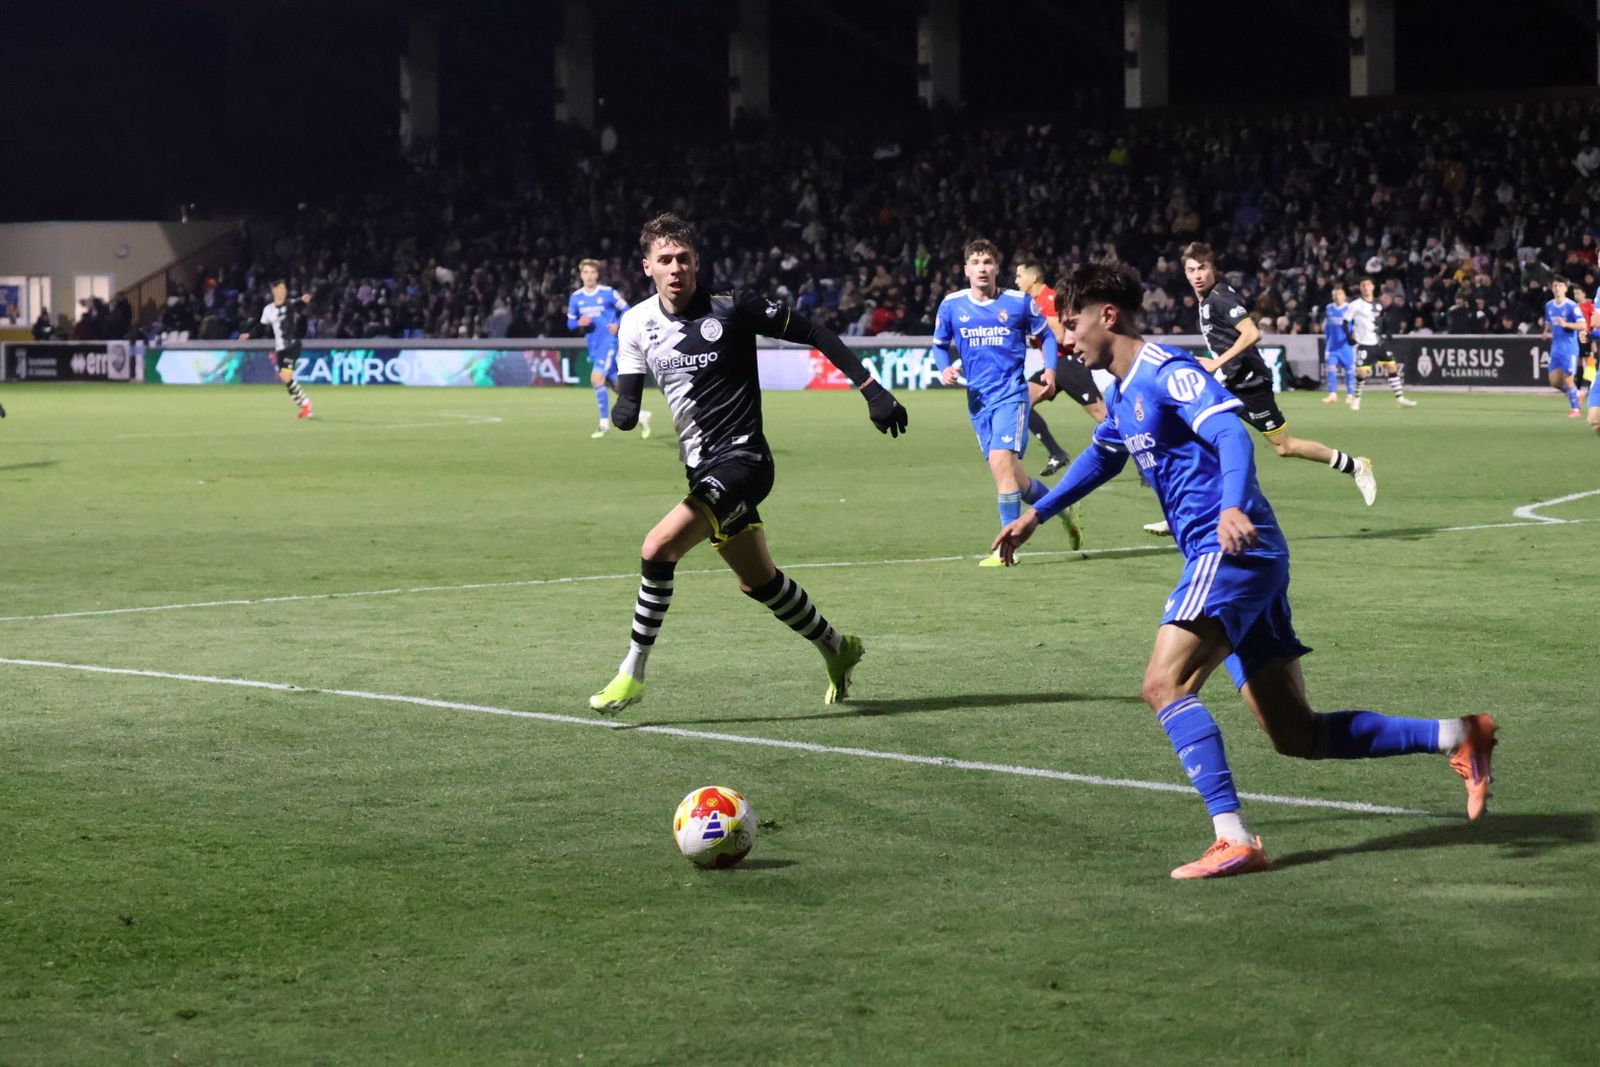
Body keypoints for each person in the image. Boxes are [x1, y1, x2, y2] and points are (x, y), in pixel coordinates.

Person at [992, 262, 1499, 879]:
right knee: (1295, 734)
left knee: (1163, 685)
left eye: (1072, 325)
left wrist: (1231, 505)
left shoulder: (1166, 371)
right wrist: (1036, 515)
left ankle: (1232, 838)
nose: (1065, 340)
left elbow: (1232, 436)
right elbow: (1102, 459)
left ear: (1108, 316)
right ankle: (1459, 735)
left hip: (1230, 548)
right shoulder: (1122, 394)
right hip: (1243, 556)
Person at [588, 213, 908, 714]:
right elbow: (628, 400)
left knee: (657, 549)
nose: (675, 268)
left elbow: (815, 332)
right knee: (758, 581)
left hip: (745, 460)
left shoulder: (733, 307)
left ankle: (632, 672)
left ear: (697, 262)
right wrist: (624, 410)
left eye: (683, 258)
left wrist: (872, 389)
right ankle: (837, 648)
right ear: (647, 266)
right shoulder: (635, 323)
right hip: (702, 468)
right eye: (665, 259)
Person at [1182, 243, 1375, 507]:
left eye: (1202, 268)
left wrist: (1217, 363)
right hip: (1227, 385)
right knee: (1197, 435)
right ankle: (1190, 507)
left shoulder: (1220, 298)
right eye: (1191, 270)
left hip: (1249, 385)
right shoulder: (1206, 299)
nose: (1197, 275)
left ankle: (1356, 466)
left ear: (1213, 269)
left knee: (1285, 447)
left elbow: (1252, 333)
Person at [932, 239, 1081, 565]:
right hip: (978, 400)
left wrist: (1051, 370)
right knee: (1014, 478)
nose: (982, 268)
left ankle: (1005, 549)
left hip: (1011, 395)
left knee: (1002, 463)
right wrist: (944, 368)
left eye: (988, 262)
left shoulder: (1018, 302)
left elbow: (1047, 336)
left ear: (997, 268)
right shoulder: (952, 305)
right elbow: (940, 344)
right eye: (976, 262)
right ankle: (1062, 506)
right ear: (966, 269)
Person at [1014, 260, 1108, 476]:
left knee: (1102, 416)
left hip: (1069, 363)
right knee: (1021, 403)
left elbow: (1058, 336)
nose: (1016, 281)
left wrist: (1034, 334)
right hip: (1054, 366)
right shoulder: (1034, 302)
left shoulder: (1049, 300)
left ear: (1033, 278)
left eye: (1019, 276)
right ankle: (1057, 454)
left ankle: (1145, 458)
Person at [568, 259, 651, 439]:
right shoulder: (576, 297)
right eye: (586, 272)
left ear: (597, 274)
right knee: (614, 384)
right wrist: (579, 322)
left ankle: (604, 424)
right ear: (581, 275)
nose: (589, 276)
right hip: (594, 345)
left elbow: (627, 309)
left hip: (609, 342)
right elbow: (570, 323)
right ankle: (641, 414)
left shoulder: (608, 293)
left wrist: (617, 324)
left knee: (596, 378)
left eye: (592, 272)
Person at [1349, 277, 1418, 410]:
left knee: (1392, 367)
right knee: (1361, 373)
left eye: (1368, 285)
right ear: (1360, 288)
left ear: (1373, 287)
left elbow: (1382, 320)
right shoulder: (1355, 304)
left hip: (1379, 343)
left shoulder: (1378, 304)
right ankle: (1356, 399)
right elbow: (1346, 321)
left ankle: (1400, 399)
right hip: (1365, 343)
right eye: (1363, 285)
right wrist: (1349, 336)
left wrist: (1387, 332)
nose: (1366, 288)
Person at [256, 279, 313, 418]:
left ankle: (306, 403)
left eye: (284, 288)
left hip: (292, 345)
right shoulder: (268, 309)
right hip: (280, 348)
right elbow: (261, 327)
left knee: (287, 376)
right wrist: (249, 334)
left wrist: (303, 299)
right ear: (274, 291)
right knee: (285, 378)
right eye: (280, 288)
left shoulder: (289, 304)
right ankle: (304, 405)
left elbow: (296, 302)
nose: (283, 291)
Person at [1542, 276, 1587, 419]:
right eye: (1555, 286)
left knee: (1568, 380)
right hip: (1556, 348)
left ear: (1566, 289)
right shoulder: (1549, 305)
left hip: (1569, 349)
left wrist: (1566, 324)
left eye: (1560, 286)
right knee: (1554, 382)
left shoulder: (1572, 306)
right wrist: (1546, 331)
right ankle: (1576, 393)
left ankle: (1575, 409)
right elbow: (1549, 323)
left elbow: (1583, 325)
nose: (1557, 288)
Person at [1322, 286, 1359, 404]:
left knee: (1349, 370)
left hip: (1346, 346)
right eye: (1335, 295)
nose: (1337, 297)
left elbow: (1356, 325)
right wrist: (1327, 341)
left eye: (1339, 294)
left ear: (1344, 296)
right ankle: (1333, 394)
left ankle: (1350, 395)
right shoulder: (1329, 308)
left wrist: (1354, 337)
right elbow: (1328, 327)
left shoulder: (1349, 308)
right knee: (1331, 368)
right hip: (1332, 346)